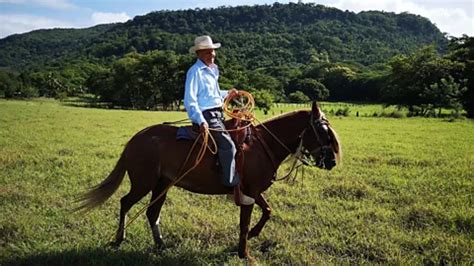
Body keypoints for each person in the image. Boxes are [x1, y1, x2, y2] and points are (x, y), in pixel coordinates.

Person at [184, 35, 254, 205]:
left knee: (244, 134)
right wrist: (201, 121)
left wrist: (227, 93)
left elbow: (212, 96)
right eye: (208, 52)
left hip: (218, 114)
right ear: (199, 53)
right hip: (207, 116)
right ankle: (231, 187)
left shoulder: (213, 70)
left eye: (213, 52)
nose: (212, 55)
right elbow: (190, 100)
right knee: (228, 146)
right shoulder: (195, 72)